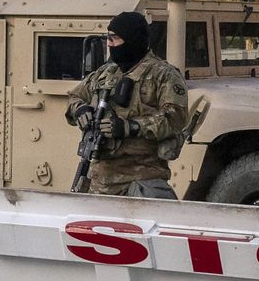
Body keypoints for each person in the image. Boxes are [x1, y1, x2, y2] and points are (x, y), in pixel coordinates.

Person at [66, 11, 188, 198]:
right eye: (108, 38)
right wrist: (81, 109)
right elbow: (75, 96)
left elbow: (176, 118)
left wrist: (131, 127)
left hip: (142, 177)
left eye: (115, 38)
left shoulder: (163, 75)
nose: (109, 44)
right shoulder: (106, 73)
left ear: (133, 39)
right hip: (100, 179)